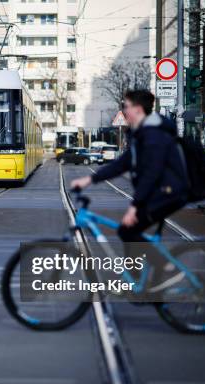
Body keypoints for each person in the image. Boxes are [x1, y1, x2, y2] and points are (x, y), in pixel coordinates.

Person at [71, 90, 189, 283]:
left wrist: (134, 206)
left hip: (169, 193)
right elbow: (122, 164)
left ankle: (168, 269)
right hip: (158, 192)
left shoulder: (153, 134)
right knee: (128, 231)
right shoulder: (141, 132)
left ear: (138, 108)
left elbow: (152, 173)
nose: (124, 110)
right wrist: (89, 180)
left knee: (128, 229)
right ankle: (136, 282)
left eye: (126, 106)